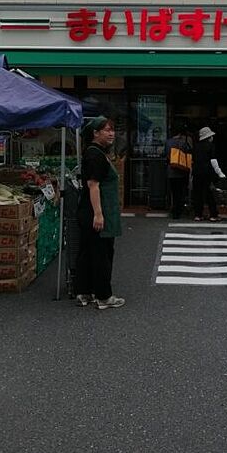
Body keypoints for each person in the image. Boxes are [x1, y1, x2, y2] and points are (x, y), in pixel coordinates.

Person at [75, 117, 125, 310]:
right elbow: (93, 185)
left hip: (87, 210)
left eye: (112, 130)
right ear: (95, 133)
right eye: (106, 130)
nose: (111, 133)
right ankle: (104, 296)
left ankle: (84, 292)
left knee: (87, 252)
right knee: (101, 254)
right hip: (97, 210)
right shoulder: (95, 155)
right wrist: (98, 214)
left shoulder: (93, 152)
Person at [191, 126, 226, 222]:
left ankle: (198, 214)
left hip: (197, 172)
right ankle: (213, 214)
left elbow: (193, 160)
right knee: (209, 193)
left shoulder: (196, 146)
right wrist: (220, 173)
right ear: (209, 137)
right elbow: (213, 161)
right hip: (207, 172)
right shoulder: (211, 146)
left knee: (198, 193)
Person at [164, 125, 191, 220]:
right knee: (181, 191)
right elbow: (188, 153)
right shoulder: (183, 142)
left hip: (171, 169)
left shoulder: (168, 142)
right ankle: (179, 209)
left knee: (174, 191)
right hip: (181, 169)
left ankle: (174, 210)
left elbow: (166, 154)